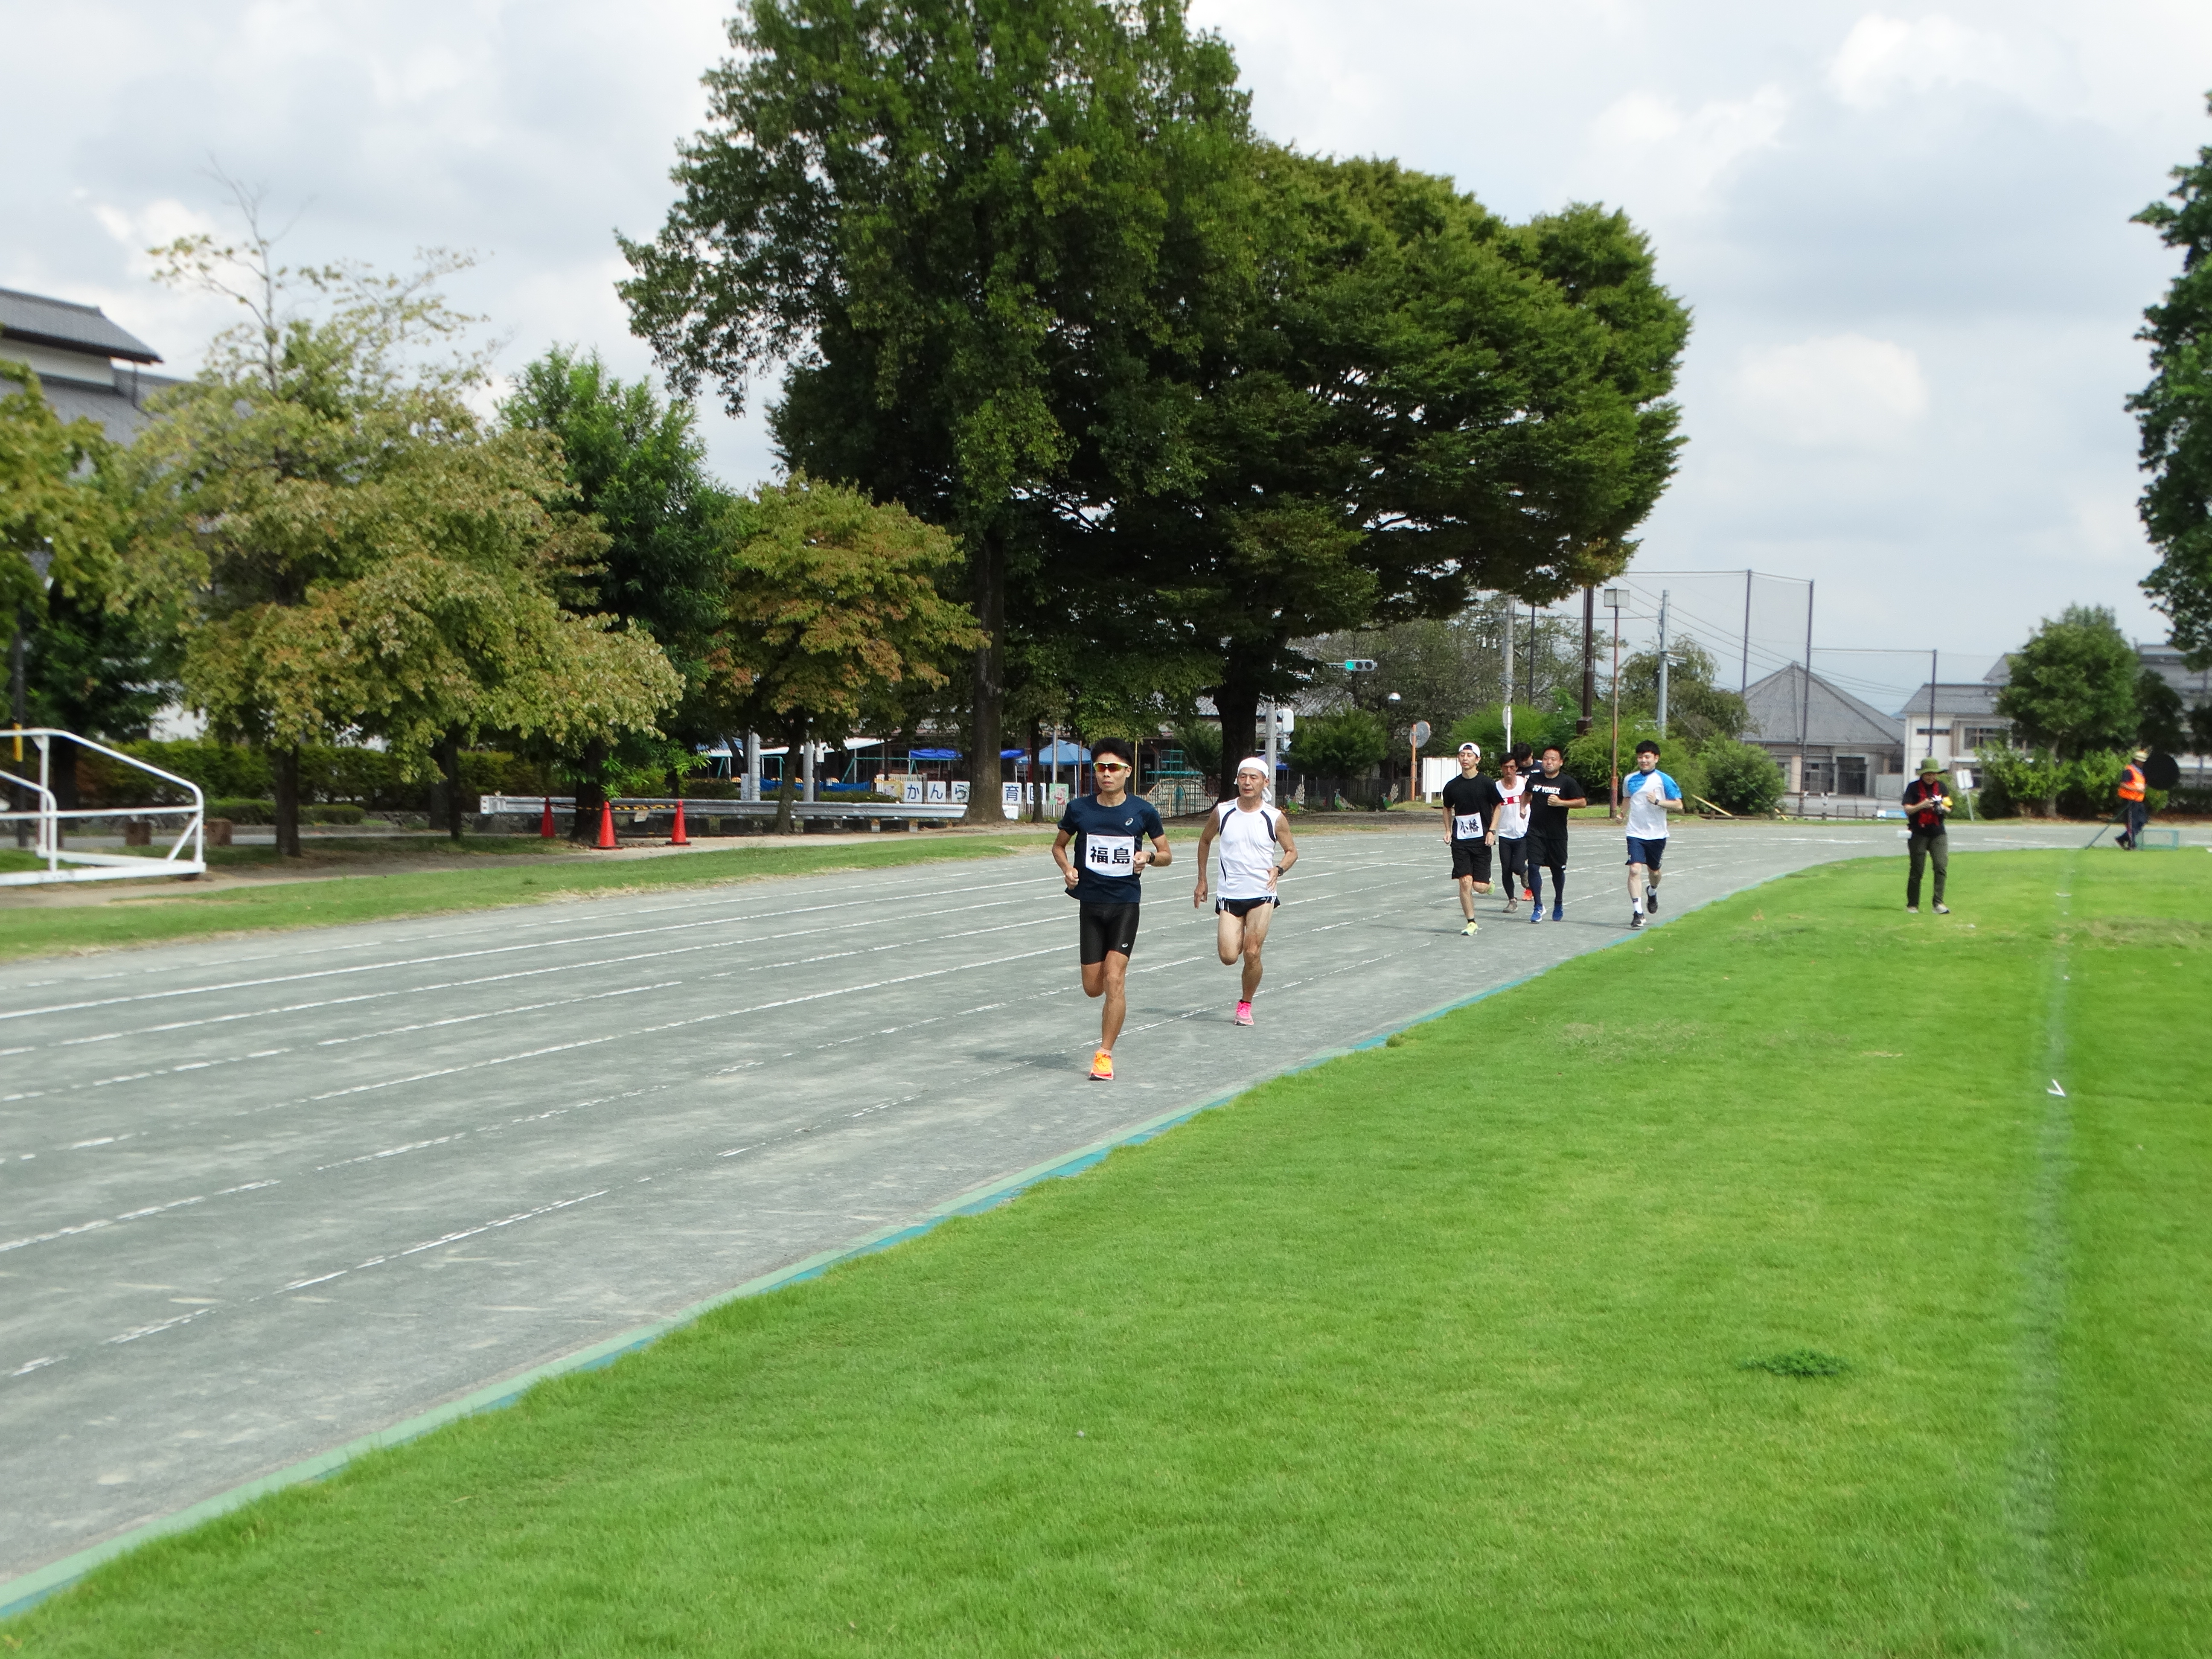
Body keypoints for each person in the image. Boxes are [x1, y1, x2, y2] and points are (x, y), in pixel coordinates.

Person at [1052, 736, 1171, 1079]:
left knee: (1115, 978)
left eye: (1114, 768)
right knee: (1094, 987)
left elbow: (1166, 855)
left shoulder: (1142, 812)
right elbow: (1059, 847)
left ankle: (1104, 1054)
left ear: (1127, 772)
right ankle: (1109, 1000)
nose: (1107, 774)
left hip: (1124, 905)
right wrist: (1068, 869)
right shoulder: (1080, 809)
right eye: (1101, 768)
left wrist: (1148, 856)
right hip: (1090, 905)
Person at [1193, 757, 1299, 1025]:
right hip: (1230, 894)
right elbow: (1205, 841)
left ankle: (1245, 1003)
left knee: (1252, 952)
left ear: (1265, 782)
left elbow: (1292, 852)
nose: (1247, 783)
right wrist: (1202, 880)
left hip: (1262, 894)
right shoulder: (1223, 812)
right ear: (1237, 780)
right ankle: (1240, 937)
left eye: (1253, 778)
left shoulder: (1274, 817)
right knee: (1229, 957)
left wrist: (1279, 869)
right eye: (1243, 777)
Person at [1438, 740, 1502, 936]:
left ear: (1478, 760)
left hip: (1481, 839)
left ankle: (1489, 883)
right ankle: (1471, 922)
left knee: (1479, 887)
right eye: (1462, 755)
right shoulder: (1452, 786)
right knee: (1465, 882)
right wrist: (1448, 830)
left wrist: (1492, 830)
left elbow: (1498, 806)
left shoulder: (1487, 784)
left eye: (1469, 755)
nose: (1465, 759)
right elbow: (1447, 808)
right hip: (1460, 841)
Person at [1621, 738, 1682, 930]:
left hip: (1657, 834)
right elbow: (1627, 798)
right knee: (1634, 870)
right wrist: (1622, 814)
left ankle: (1652, 891)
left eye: (1647, 757)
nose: (1643, 761)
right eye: (1640, 757)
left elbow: (1679, 805)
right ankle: (1638, 912)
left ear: (1656, 758)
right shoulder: (1630, 779)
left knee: (1654, 872)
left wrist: (1658, 802)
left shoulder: (1664, 780)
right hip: (1635, 833)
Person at [1524, 742, 1587, 923]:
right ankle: (1538, 905)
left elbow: (1582, 802)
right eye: (1545, 759)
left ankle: (1558, 901)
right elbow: (1527, 793)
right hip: (1536, 831)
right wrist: (1523, 806)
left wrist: (1561, 803)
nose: (1548, 762)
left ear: (1561, 763)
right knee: (1533, 867)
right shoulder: (1535, 779)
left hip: (1557, 834)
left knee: (1557, 871)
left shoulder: (1567, 782)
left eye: (1553, 759)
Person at [1901, 756, 1952, 914]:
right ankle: (1913, 905)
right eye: (1928, 774)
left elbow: (1950, 808)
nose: (1931, 777)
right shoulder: (1913, 788)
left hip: (1938, 833)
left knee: (1941, 866)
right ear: (1923, 774)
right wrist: (1922, 805)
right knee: (1917, 869)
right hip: (1918, 833)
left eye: (1934, 774)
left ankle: (1938, 904)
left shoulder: (1942, 787)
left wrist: (1941, 807)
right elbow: (1908, 809)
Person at [1494, 745, 1533, 914]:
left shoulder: (1525, 784)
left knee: (1517, 866)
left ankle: (1525, 872)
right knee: (1506, 869)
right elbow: (1492, 809)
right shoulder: (1496, 787)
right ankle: (1512, 900)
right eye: (1505, 767)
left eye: (1512, 767)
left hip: (1523, 833)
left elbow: (1534, 801)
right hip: (1505, 834)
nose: (1509, 770)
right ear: (1502, 769)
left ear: (1517, 768)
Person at [2117, 747, 2149, 850]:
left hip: (2139, 800)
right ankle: (2132, 844)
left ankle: (2123, 839)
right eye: (2142, 762)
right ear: (2137, 761)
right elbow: (2123, 785)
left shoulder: (2142, 772)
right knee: (2132, 823)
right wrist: (2136, 790)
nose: (2143, 764)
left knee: (2142, 821)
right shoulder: (2129, 770)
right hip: (2130, 800)